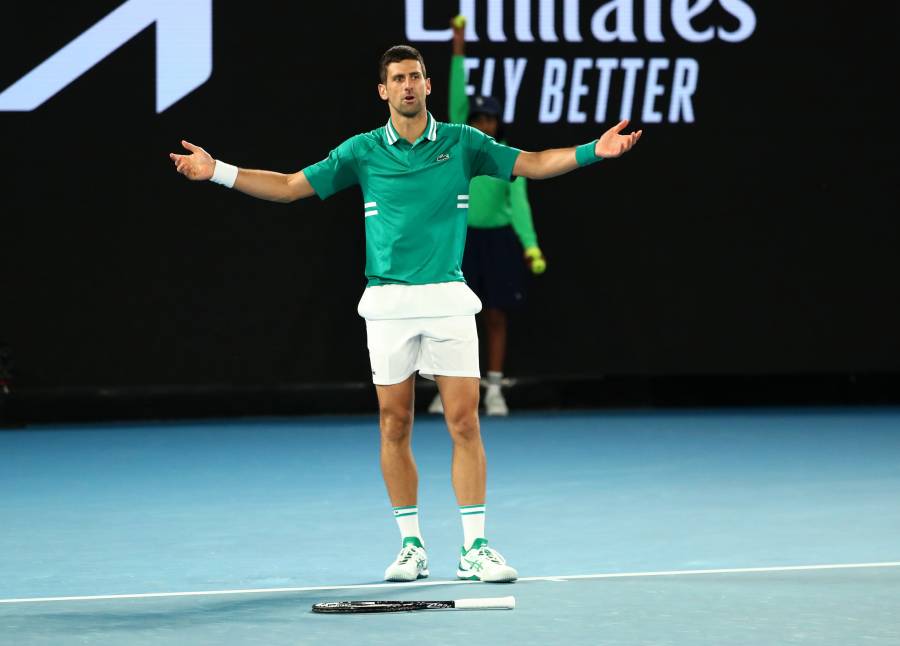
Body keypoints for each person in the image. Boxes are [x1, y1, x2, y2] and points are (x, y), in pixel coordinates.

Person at [169, 45, 641, 584]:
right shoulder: (362, 151)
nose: (408, 85)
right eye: (398, 78)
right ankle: (411, 545)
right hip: (389, 305)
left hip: (447, 300)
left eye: (416, 76)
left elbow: (531, 163)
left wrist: (592, 152)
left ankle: (475, 547)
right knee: (395, 423)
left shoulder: (464, 144)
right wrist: (217, 172)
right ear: (383, 90)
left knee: (464, 421)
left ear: (428, 85)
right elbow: (289, 186)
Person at [429, 16, 545, 417]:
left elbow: (522, 208)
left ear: (497, 123)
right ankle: (450, 391)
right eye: (476, 119)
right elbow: (457, 92)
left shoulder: (507, 160)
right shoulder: (461, 146)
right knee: (452, 319)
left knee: (495, 317)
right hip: (460, 241)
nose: (482, 124)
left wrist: (530, 246)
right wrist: (458, 47)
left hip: (497, 242)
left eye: (488, 119)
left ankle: (493, 389)